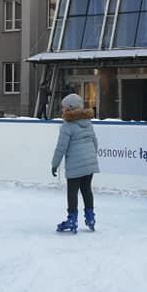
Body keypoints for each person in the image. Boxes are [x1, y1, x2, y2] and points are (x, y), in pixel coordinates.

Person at [51, 93, 100, 233]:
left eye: (64, 108)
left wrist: (55, 164)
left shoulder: (68, 125)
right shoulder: (88, 122)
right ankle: (90, 217)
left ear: (70, 109)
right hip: (89, 164)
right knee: (86, 189)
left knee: (72, 192)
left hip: (75, 165)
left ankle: (72, 218)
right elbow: (95, 142)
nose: (62, 111)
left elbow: (61, 147)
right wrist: (90, 159)